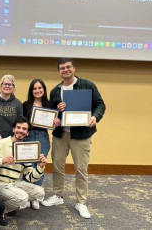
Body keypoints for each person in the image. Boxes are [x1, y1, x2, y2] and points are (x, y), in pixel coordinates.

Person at [41, 58, 106, 219]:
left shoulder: (87, 85)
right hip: (60, 135)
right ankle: (57, 195)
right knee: (57, 166)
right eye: (62, 68)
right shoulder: (56, 90)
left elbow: (100, 104)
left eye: (68, 67)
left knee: (81, 169)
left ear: (74, 68)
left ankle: (81, 202)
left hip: (81, 134)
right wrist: (56, 111)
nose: (65, 70)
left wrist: (95, 117)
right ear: (59, 71)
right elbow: (52, 114)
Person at [0, 116, 46, 214]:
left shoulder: (25, 149)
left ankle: (8, 203)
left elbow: (30, 177)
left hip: (13, 184)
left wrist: (40, 166)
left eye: (24, 129)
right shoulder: (0, 143)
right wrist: (2, 160)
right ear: (13, 129)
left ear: (27, 133)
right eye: (18, 127)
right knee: (22, 198)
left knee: (40, 193)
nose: (21, 130)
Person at [22, 79, 61, 210]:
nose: (37, 91)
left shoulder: (50, 104)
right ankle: (27, 195)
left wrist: (56, 124)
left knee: (40, 164)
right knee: (29, 166)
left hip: (43, 136)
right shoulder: (26, 105)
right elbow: (22, 122)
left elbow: (54, 126)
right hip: (29, 136)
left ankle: (36, 197)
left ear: (43, 90)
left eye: (40, 88)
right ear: (31, 91)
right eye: (35, 88)